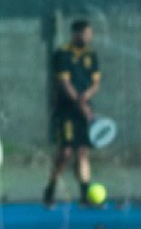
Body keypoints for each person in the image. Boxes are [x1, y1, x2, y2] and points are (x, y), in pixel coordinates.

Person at [43, 19, 102, 207]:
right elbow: (64, 83)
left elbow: (96, 84)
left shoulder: (91, 55)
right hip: (66, 111)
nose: (90, 37)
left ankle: (85, 195)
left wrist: (86, 100)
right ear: (76, 34)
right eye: (87, 34)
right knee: (66, 152)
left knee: (83, 151)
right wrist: (80, 103)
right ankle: (50, 188)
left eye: (90, 33)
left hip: (84, 110)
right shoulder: (62, 53)